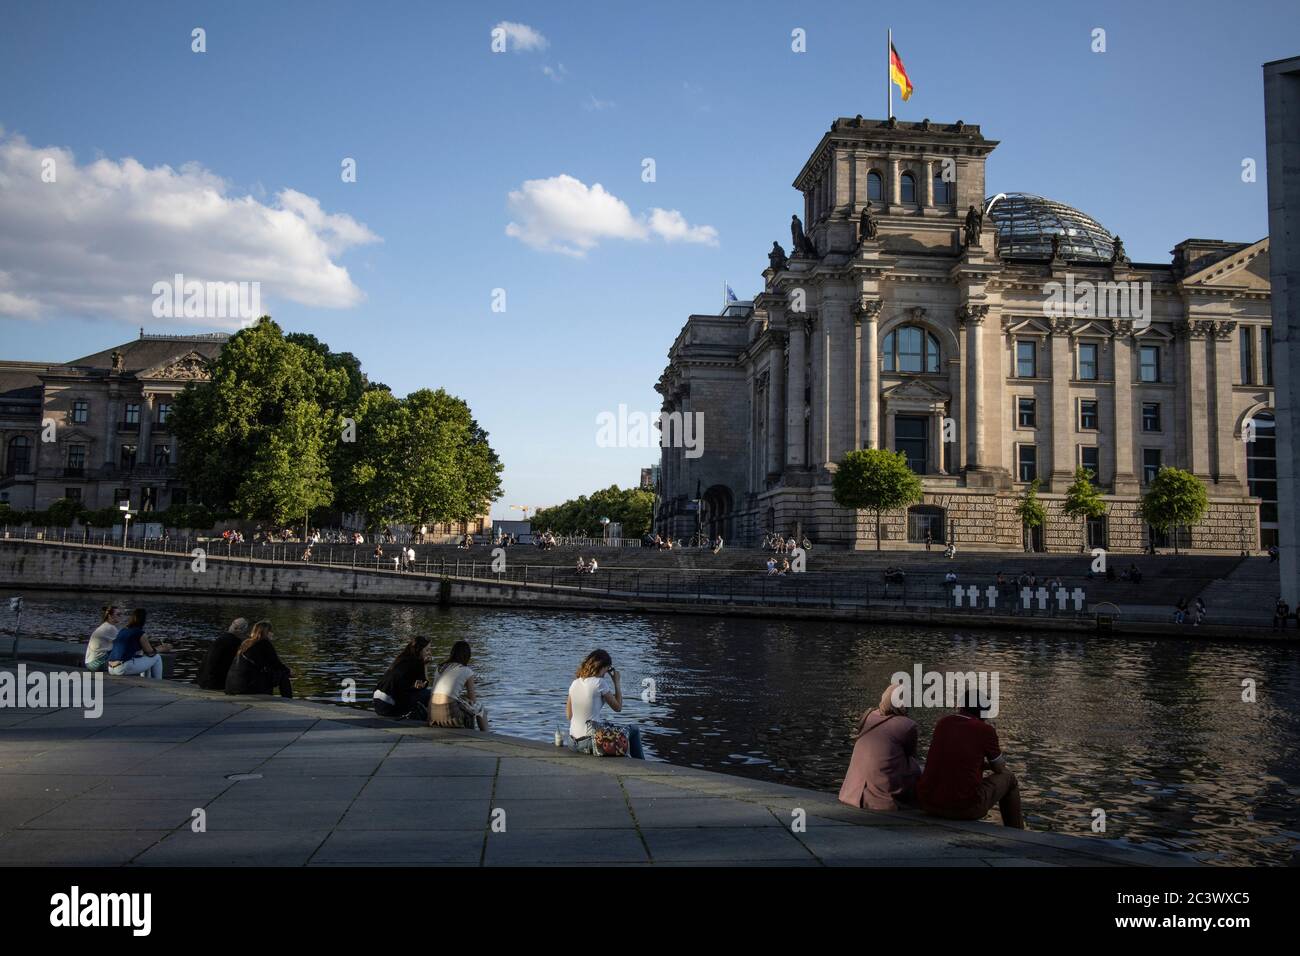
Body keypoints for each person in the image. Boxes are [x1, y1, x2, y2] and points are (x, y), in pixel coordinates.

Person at [917, 695, 1024, 829]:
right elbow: (999, 768)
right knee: (1009, 778)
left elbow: (954, 759)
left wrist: (980, 764)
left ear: (961, 707)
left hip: (928, 804)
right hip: (964, 808)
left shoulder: (943, 723)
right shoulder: (985, 730)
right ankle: (1017, 830)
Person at [838, 684, 922, 811]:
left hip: (851, 794)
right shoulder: (907, 725)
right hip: (881, 800)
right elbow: (911, 755)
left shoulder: (868, 716)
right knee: (919, 768)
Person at [565, 649, 644, 758]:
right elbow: (618, 707)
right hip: (589, 743)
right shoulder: (599, 683)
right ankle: (641, 764)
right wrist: (616, 682)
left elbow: (569, 716)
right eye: (607, 669)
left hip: (572, 743)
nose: (607, 673)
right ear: (602, 667)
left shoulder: (574, 683)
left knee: (607, 727)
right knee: (634, 730)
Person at [428, 640, 488, 730]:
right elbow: (473, 699)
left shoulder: (440, 667)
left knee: (462, 703)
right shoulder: (466, 671)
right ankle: (486, 735)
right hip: (450, 717)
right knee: (480, 708)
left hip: (432, 715)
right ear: (467, 656)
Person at [224, 620, 293, 698]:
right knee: (283, 674)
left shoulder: (246, 643)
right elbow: (276, 664)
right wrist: (288, 671)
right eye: (271, 631)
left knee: (271, 674)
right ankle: (288, 699)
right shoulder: (264, 643)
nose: (273, 634)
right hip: (247, 687)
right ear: (267, 632)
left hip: (232, 686)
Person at [373, 636, 431, 720]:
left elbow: (403, 685)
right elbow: (425, 684)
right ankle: (433, 718)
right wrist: (425, 665)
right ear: (419, 650)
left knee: (415, 694)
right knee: (430, 694)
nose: (429, 653)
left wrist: (414, 687)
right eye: (427, 650)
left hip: (378, 704)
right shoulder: (417, 662)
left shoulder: (400, 660)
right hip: (390, 707)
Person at [106, 609, 173, 679]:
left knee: (144, 657)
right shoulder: (139, 633)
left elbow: (143, 651)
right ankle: (158, 683)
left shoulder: (123, 630)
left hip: (111, 668)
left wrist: (155, 648)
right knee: (157, 657)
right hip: (121, 668)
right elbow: (150, 653)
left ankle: (145, 681)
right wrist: (163, 648)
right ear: (143, 620)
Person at [195, 618, 250, 690]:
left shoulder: (221, 639)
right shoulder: (234, 643)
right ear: (240, 630)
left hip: (202, 680)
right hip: (214, 683)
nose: (245, 633)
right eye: (245, 631)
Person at [85, 604, 122, 672]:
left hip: (89, 663)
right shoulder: (111, 628)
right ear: (110, 616)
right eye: (118, 614)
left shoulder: (105, 625)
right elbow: (123, 644)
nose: (120, 616)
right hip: (96, 665)